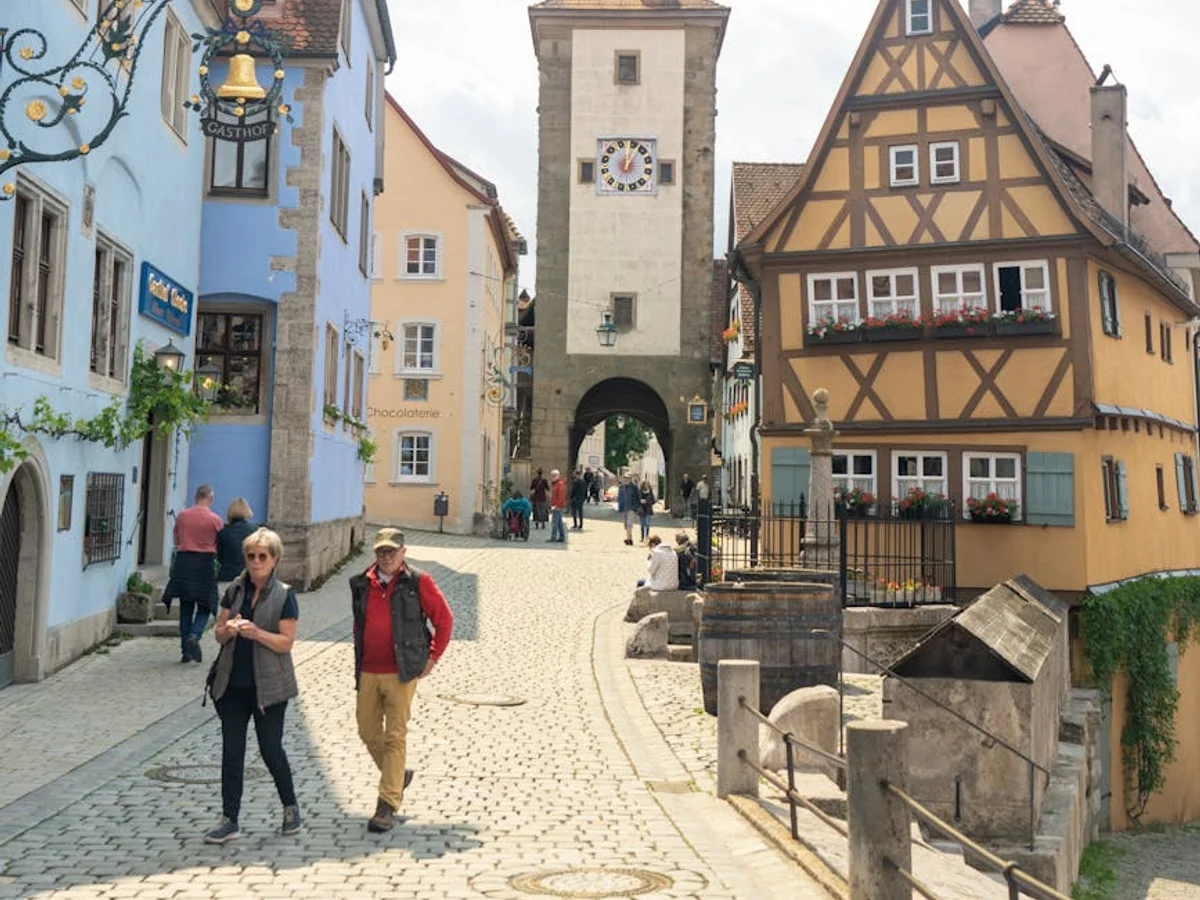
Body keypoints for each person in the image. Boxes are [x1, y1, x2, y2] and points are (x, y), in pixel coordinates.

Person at [350, 528, 454, 833]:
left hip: (402, 670)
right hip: (369, 668)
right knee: (367, 729)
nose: (386, 557)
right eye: (381, 552)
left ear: (403, 552)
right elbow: (359, 625)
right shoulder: (361, 582)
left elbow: (444, 620)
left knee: (395, 734)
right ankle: (397, 775)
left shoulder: (418, 582)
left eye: (392, 552)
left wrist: (432, 658)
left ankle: (387, 803)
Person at [204, 527, 301, 844]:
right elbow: (218, 633)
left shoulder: (284, 595)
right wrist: (229, 629)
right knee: (232, 753)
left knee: (271, 749)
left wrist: (257, 633)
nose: (256, 562)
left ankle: (290, 807)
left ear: (274, 560)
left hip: (270, 687)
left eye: (262, 556)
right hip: (233, 685)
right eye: (251, 556)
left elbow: (286, 642)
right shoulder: (235, 590)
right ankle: (229, 818)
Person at [164, 484, 223, 664]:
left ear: (196, 497)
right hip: (205, 564)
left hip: (184, 563)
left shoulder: (182, 516)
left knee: (185, 607)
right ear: (210, 498)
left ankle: (186, 651)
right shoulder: (215, 520)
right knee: (206, 604)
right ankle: (195, 635)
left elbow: (176, 540)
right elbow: (219, 543)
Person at [216, 497, 256, 584]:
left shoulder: (223, 532)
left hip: (227, 577)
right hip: (249, 576)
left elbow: (219, 557)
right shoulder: (255, 531)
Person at [616, 474, 639, 546]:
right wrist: (619, 507)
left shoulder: (634, 488)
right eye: (625, 478)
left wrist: (636, 508)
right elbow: (620, 497)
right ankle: (629, 537)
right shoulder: (621, 487)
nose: (626, 480)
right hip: (624, 508)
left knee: (629, 524)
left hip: (631, 508)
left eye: (628, 478)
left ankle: (629, 539)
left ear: (630, 479)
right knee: (626, 525)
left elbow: (637, 498)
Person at [548, 468, 567, 543]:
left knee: (555, 522)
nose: (552, 477)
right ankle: (562, 537)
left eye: (553, 475)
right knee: (559, 522)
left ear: (557, 475)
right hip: (556, 506)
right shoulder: (557, 484)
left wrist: (556, 505)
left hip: (557, 506)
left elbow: (561, 496)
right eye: (552, 475)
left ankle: (553, 537)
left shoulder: (560, 484)